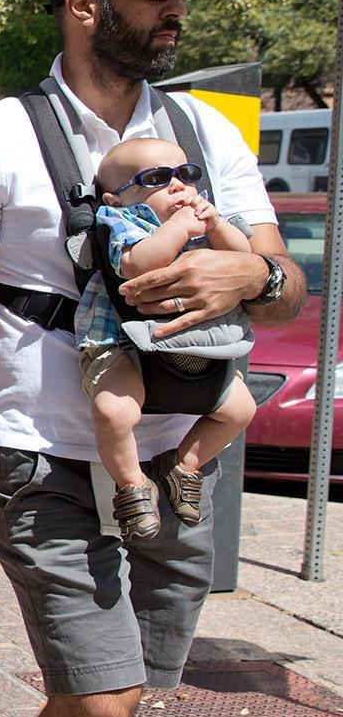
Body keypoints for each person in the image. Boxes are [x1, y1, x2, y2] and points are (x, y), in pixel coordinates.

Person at [0, 0, 303, 717]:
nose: (177, 7)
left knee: (134, 692)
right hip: (41, 454)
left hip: (176, 455)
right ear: (84, 2)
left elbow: (286, 290)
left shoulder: (205, 137)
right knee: (103, 694)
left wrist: (250, 278)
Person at [79, 138, 257, 541]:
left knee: (241, 410)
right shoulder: (122, 221)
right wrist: (178, 228)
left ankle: (183, 466)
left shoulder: (203, 222)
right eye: (157, 178)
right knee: (113, 411)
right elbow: (136, 264)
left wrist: (217, 227)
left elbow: (243, 257)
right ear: (117, 198)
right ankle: (132, 485)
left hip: (192, 348)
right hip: (122, 343)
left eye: (186, 174)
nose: (178, 185)